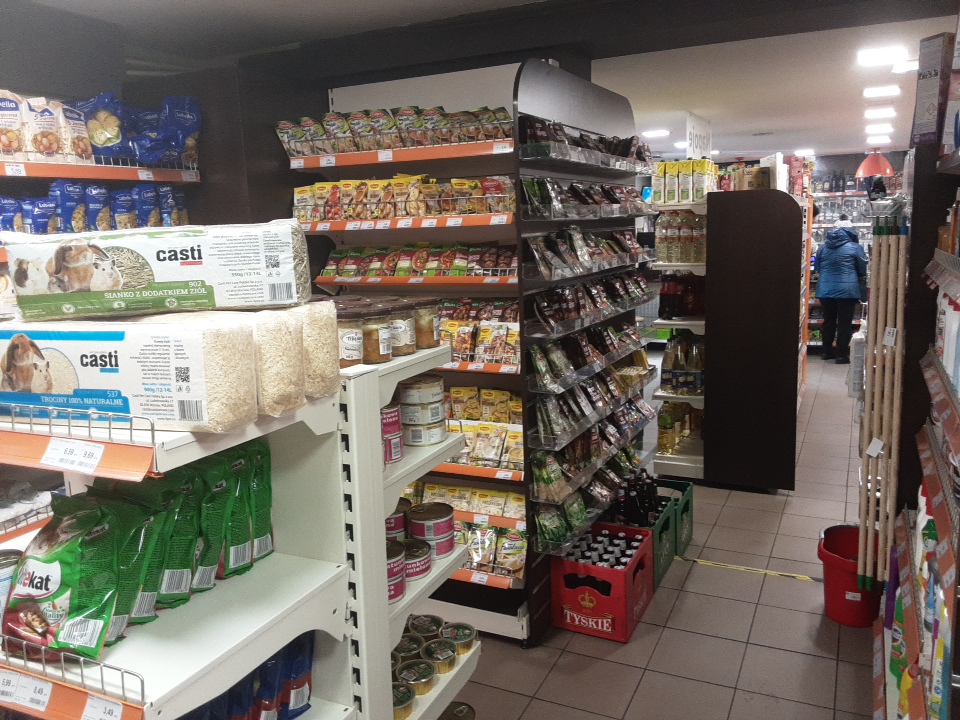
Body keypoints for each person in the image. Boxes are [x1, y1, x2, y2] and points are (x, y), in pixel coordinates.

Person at [814, 221, 867, 364]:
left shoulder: (823, 248)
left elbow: (817, 268)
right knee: (844, 323)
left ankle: (826, 352)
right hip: (847, 291)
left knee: (828, 321)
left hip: (825, 290)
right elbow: (862, 269)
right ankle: (841, 355)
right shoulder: (855, 247)